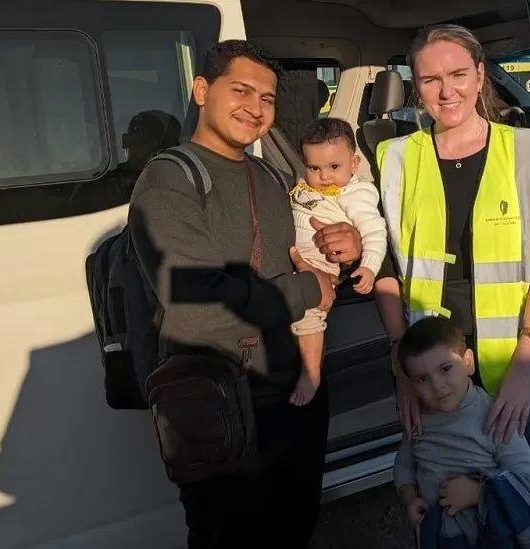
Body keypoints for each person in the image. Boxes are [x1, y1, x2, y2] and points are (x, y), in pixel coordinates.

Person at [128, 40, 362, 548]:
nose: (255, 107)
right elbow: (196, 302)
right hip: (221, 407)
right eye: (240, 90)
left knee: (293, 528)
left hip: (290, 398)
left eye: (268, 98)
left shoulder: (272, 176)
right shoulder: (170, 179)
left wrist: (346, 246)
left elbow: (307, 259)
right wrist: (307, 288)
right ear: (201, 90)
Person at [373, 23, 530, 537]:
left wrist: (524, 367)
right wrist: (402, 372)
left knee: (524, 501)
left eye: (458, 74)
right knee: (442, 509)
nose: (446, 90)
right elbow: (388, 271)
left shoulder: (528, 150)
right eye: (430, 79)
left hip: (510, 365)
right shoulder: (393, 159)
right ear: (415, 86)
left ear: (481, 76)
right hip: (432, 370)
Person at [394, 317, 530, 547]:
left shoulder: (494, 416)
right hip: (438, 537)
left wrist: (477, 494)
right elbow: (403, 466)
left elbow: (528, 486)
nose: (437, 385)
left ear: (468, 362)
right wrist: (410, 498)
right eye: (422, 379)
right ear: (410, 384)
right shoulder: (418, 421)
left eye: (446, 368)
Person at [288, 117, 387, 405]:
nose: (324, 176)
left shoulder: (355, 194)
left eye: (334, 167)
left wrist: (368, 265)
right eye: (314, 168)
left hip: (322, 269)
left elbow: (373, 231)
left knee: (309, 316)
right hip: (293, 263)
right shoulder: (306, 188)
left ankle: (311, 372)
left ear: (354, 165)